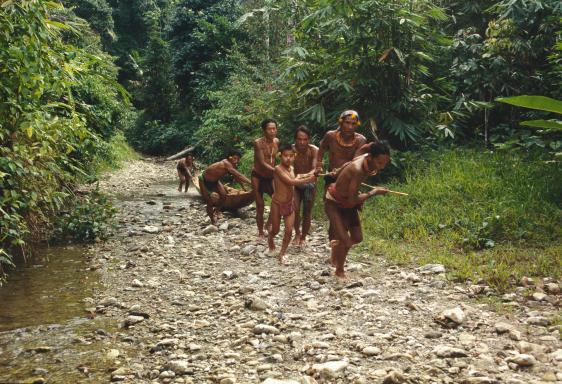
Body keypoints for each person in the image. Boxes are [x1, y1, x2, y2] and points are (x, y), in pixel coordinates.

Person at [324, 141, 391, 279]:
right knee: (347, 241)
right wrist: (373, 192)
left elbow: (366, 146)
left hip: (347, 203)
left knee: (357, 238)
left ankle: (337, 248)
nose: (382, 167)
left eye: (385, 163)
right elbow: (352, 200)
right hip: (334, 203)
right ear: (371, 157)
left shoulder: (366, 154)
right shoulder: (358, 170)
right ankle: (339, 271)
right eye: (379, 163)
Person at [315, 109, 368, 242]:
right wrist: (318, 165)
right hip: (331, 179)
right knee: (334, 213)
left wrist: (340, 171)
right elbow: (321, 149)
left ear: (357, 125)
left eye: (353, 124)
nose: (350, 127)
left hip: (349, 180)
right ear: (341, 122)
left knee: (346, 212)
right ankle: (335, 243)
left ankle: (339, 243)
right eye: (347, 123)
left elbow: (356, 162)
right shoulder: (331, 136)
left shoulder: (360, 140)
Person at [268, 144, 316, 264]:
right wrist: (309, 179)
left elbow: (295, 177)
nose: (288, 158)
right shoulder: (278, 169)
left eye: (291, 156)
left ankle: (282, 253)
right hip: (277, 204)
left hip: (289, 204)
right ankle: (270, 238)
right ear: (280, 156)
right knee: (276, 230)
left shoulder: (292, 168)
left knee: (289, 231)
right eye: (285, 156)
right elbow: (291, 181)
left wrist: (307, 174)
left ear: (294, 156)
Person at [199, 150, 251, 224]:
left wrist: (243, 187)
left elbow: (236, 177)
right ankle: (212, 220)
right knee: (209, 201)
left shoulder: (232, 165)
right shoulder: (226, 163)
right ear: (230, 157)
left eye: (238, 159)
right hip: (203, 180)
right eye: (235, 158)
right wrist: (251, 183)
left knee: (224, 195)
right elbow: (239, 175)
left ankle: (217, 211)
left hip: (215, 181)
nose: (236, 161)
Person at [251, 118, 280, 239]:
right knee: (260, 205)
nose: (272, 131)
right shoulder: (258, 143)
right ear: (264, 130)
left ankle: (268, 224)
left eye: (274, 128)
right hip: (258, 176)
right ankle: (260, 231)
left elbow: (276, 159)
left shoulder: (277, 141)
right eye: (269, 129)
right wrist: (278, 171)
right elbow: (262, 162)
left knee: (277, 201)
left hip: (270, 177)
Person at [292, 125, 318, 246]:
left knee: (307, 211)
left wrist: (303, 176)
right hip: (295, 184)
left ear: (309, 139)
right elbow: (287, 167)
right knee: (295, 209)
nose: (302, 142)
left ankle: (303, 237)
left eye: (305, 139)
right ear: (295, 139)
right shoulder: (291, 150)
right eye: (299, 139)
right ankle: (297, 233)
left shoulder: (314, 150)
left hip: (310, 184)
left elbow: (314, 169)